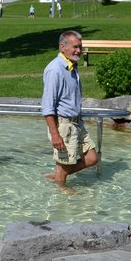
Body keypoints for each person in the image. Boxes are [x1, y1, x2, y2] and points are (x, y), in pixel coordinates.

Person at [41, 30, 99, 190]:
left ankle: (58, 176)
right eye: (75, 47)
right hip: (64, 126)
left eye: (80, 47)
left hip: (77, 123)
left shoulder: (71, 66)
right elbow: (47, 106)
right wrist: (55, 134)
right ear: (62, 47)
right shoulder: (55, 70)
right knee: (64, 165)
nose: (79, 51)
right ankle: (63, 195)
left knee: (93, 158)